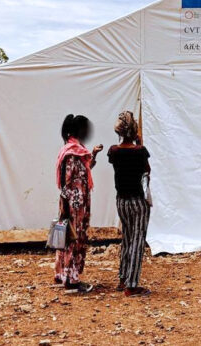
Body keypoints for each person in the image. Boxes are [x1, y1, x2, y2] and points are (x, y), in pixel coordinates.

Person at [54, 114, 103, 294]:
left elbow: (83, 172)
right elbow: (66, 182)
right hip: (75, 204)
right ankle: (72, 279)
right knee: (74, 238)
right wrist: (66, 206)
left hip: (76, 202)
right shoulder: (72, 153)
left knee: (69, 237)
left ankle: (63, 273)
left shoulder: (76, 151)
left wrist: (94, 154)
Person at [108, 111, 151, 297]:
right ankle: (132, 285)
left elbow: (116, 158)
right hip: (137, 201)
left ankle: (123, 278)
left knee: (126, 239)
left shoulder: (113, 151)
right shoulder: (140, 151)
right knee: (137, 240)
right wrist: (138, 143)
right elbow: (147, 170)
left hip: (121, 201)